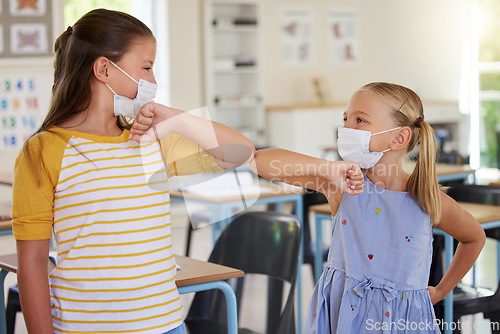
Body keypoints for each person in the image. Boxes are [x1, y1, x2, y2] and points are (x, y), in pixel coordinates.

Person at [12, 9, 254, 334]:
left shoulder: (151, 138)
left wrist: (173, 116)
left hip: (165, 325)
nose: (153, 81)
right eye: (147, 67)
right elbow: (32, 263)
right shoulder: (43, 150)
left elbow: (241, 152)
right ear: (103, 69)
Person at [254, 82, 486, 333]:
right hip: (342, 316)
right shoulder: (341, 186)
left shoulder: (429, 200)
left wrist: (441, 290)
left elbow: (474, 238)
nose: (346, 128)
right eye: (346, 118)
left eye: (360, 120)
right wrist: (327, 167)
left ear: (399, 137)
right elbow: (262, 162)